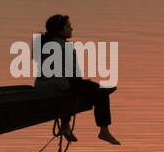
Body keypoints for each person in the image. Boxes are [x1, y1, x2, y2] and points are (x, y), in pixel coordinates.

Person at [35, 14, 120, 144]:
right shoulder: (64, 46)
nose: (71, 28)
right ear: (59, 30)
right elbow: (73, 73)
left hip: (44, 84)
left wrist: (81, 82)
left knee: (80, 88)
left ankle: (65, 125)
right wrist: (82, 82)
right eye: (68, 26)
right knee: (101, 92)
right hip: (59, 84)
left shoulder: (46, 43)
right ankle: (104, 131)